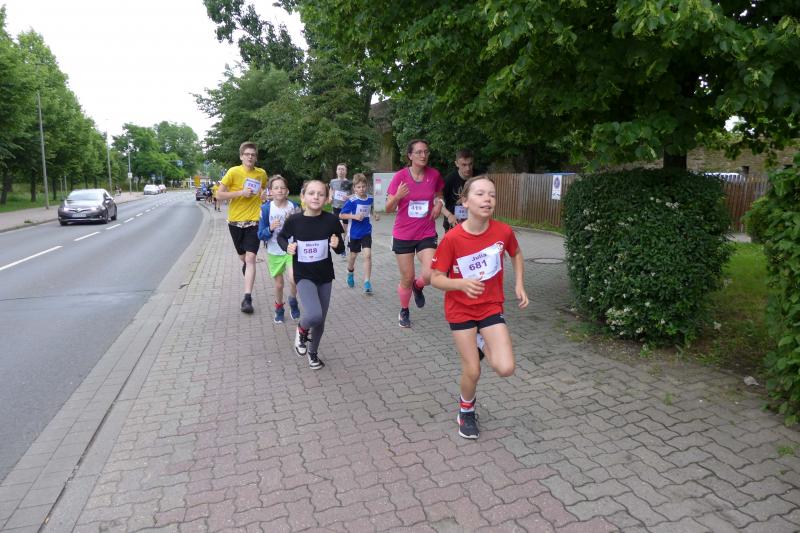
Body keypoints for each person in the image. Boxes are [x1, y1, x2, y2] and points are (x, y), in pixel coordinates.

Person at [431, 176, 529, 439]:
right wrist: (461, 284)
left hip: (490, 307)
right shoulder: (453, 238)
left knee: (506, 368)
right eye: (480, 194)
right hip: (461, 310)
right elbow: (436, 278)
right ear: (465, 201)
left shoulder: (503, 231)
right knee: (473, 370)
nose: (487, 199)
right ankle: (466, 409)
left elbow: (516, 254)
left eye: (492, 195)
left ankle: (482, 341)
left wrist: (519, 283)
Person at [278, 180, 345, 369]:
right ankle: (301, 329)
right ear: (303, 196)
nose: (316, 197)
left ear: (327, 198)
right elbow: (282, 237)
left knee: (320, 320)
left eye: (321, 194)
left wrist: (337, 245)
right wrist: (287, 247)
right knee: (314, 314)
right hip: (304, 275)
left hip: (325, 276)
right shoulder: (294, 220)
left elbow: (340, 248)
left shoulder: (331, 220)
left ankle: (313, 353)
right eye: (311, 193)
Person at [385, 139, 444, 328]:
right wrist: (397, 196)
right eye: (419, 152)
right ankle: (404, 309)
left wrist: (439, 204)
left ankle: (418, 287)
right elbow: (387, 208)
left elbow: (439, 194)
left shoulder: (434, 175)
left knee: (430, 273)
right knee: (407, 277)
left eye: (426, 152)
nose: (423, 155)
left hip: (426, 231)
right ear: (410, 155)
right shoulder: (400, 177)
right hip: (404, 235)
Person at [216, 142, 269, 314]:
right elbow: (219, 195)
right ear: (241, 156)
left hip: (254, 221)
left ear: (256, 157)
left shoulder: (261, 173)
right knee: (244, 258)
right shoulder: (233, 172)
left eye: (253, 154)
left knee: (251, 258)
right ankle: (247, 268)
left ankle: (247, 298)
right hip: (235, 222)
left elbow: (264, 191)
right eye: (247, 154)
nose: (250, 157)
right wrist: (240, 193)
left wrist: (264, 195)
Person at [257, 175, 301, 324]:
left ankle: (293, 301)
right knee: (279, 284)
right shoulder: (266, 209)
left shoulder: (294, 207)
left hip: (291, 249)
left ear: (287, 190)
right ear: (270, 191)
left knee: (294, 279)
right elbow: (260, 234)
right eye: (276, 188)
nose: (280, 190)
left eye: (282, 187)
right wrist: (270, 228)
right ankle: (279, 307)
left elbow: (302, 227)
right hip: (274, 250)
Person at [339, 173, 380, 293]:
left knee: (367, 255)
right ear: (354, 188)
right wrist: (354, 216)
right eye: (358, 187)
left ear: (366, 186)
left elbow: (370, 209)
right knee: (353, 256)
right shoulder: (352, 201)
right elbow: (341, 215)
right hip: (354, 233)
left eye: (363, 186)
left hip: (366, 231)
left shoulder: (370, 198)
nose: (361, 189)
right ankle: (350, 272)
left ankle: (367, 282)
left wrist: (375, 214)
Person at [441, 149, 475, 233]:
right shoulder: (449, 180)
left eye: (470, 164)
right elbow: (437, 202)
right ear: (456, 163)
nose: (468, 168)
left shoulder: (479, 177)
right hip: (454, 224)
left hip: (474, 224)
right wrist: (449, 215)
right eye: (464, 165)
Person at [328, 163, 352, 258]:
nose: (341, 171)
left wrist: (348, 197)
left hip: (346, 207)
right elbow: (331, 190)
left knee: (344, 229)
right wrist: (330, 197)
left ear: (346, 171)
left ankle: (344, 240)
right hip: (336, 207)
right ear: (336, 171)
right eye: (339, 169)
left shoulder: (349, 182)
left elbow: (355, 194)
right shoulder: (333, 181)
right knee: (337, 227)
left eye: (343, 169)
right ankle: (341, 248)